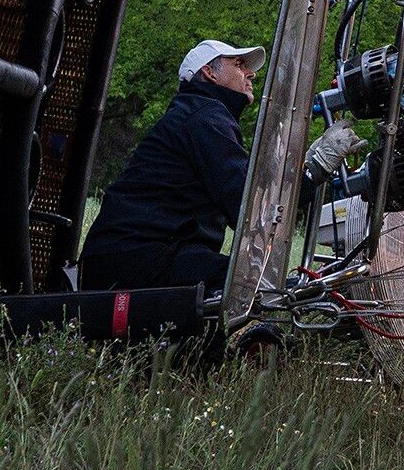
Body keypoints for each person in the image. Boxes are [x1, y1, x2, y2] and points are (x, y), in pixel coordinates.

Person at [75, 38, 263, 294]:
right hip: (135, 259)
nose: (250, 73)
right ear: (209, 72)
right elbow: (245, 202)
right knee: (248, 285)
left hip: (120, 257)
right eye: (239, 64)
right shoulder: (205, 116)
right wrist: (315, 168)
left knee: (230, 280)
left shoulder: (197, 113)